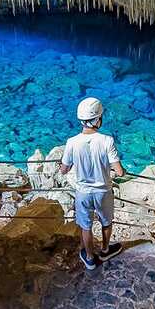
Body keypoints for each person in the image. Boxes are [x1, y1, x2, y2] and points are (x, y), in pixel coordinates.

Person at [60, 97, 125, 270]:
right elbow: (119, 171)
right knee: (106, 222)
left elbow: (64, 170)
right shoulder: (107, 140)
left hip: (82, 192)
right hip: (103, 191)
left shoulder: (71, 142)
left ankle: (89, 258)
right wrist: (120, 170)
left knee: (85, 226)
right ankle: (105, 250)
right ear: (97, 119)